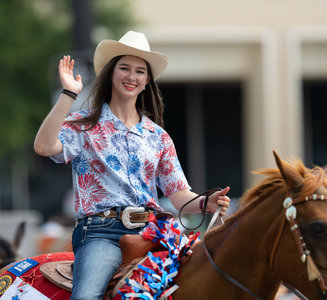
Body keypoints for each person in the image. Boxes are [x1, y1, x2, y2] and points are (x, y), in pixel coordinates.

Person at [34, 30, 231, 300]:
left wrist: (207, 202)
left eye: (140, 71)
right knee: (86, 297)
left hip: (153, 231)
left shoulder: (158, 137)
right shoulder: (84, 125)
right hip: (101, 234)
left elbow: (179, 194)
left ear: (147, 80)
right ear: (111, 73)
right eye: (124, 68)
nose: (131, 76)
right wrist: (68, 93)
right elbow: (44, 147)